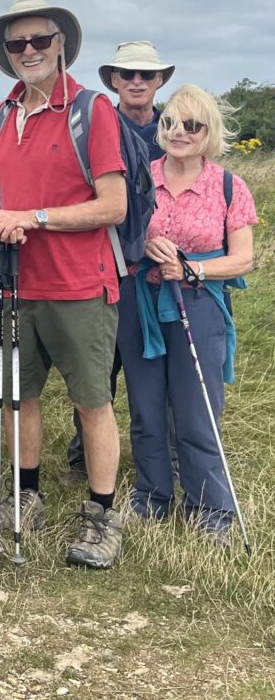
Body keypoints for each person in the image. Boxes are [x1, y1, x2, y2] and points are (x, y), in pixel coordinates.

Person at [0, 0, 128, 569]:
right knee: (17, 397)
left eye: (39, 40)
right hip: (14, 284)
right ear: (7, 54)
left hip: (81, 285)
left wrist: (31, 218)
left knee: (92, 403)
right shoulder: (2, 115)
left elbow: (113, 205)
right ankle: (24, 498)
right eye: (17, 44)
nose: (29, 51)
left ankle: (103, 517)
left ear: (61, 44)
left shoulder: (92, 110)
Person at [117, 84, 256, 545]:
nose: (179, 132)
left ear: (208, 132)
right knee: (146, 406)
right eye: (171, 122)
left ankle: (211, 507)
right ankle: (152, 497)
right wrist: (144, 248)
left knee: (198, 410)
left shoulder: (228, 186)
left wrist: (191, 266)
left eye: (192, 125)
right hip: (141, 303)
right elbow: (119, 238)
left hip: (199, 304)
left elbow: (243, 260)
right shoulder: (140, 178)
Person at [64, 41, 177, 486]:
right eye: (126, 74)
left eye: (145, 75)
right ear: (112, 79)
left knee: (157, 366)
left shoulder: (177, 130)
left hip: (157, 270)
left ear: (159, 81)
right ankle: (83, 456)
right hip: (104, 263)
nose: (136, 82)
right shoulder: (95, 125)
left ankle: (161, 454)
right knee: (97, 366)